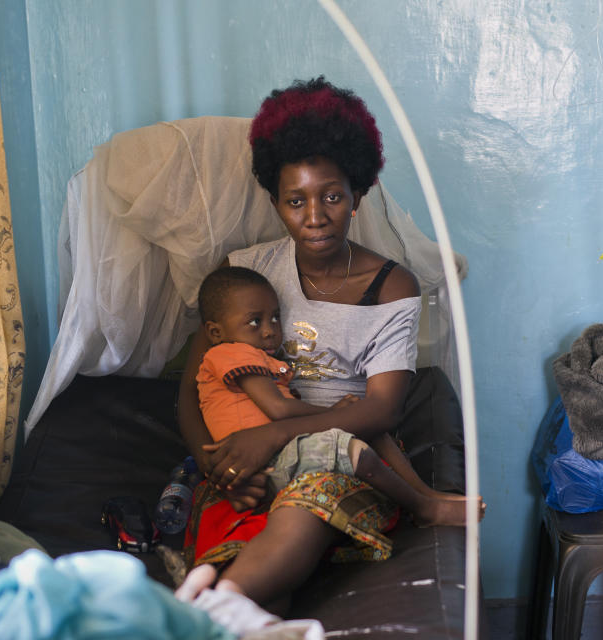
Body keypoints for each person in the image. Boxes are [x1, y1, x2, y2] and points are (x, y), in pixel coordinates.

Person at [177, 77, 481, 608]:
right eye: (295, 201)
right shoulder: (243, 274)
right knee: (236, 523)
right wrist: (217, 465)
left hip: (345, 451)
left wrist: (273, 438)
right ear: (275, 202)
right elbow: (190, 393)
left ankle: (216, 612)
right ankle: (226, 601)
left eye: (332, 196)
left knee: (303, 506)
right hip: (244, 451)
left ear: (358, 196)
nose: (314, 216)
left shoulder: (391, 287)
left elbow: (382, 411)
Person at [194, 264, 477, 522]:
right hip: (263, 460)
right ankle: (423, 506)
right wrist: (336, 413)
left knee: (366, 424)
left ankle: (423, 491)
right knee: (354, 449)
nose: (270, 330)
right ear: (216, 332)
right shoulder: (232, 354)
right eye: (255, 322)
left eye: (276, 318)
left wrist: (344, 414)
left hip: (277, 452)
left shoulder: (254, 355)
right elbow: (278, 409)